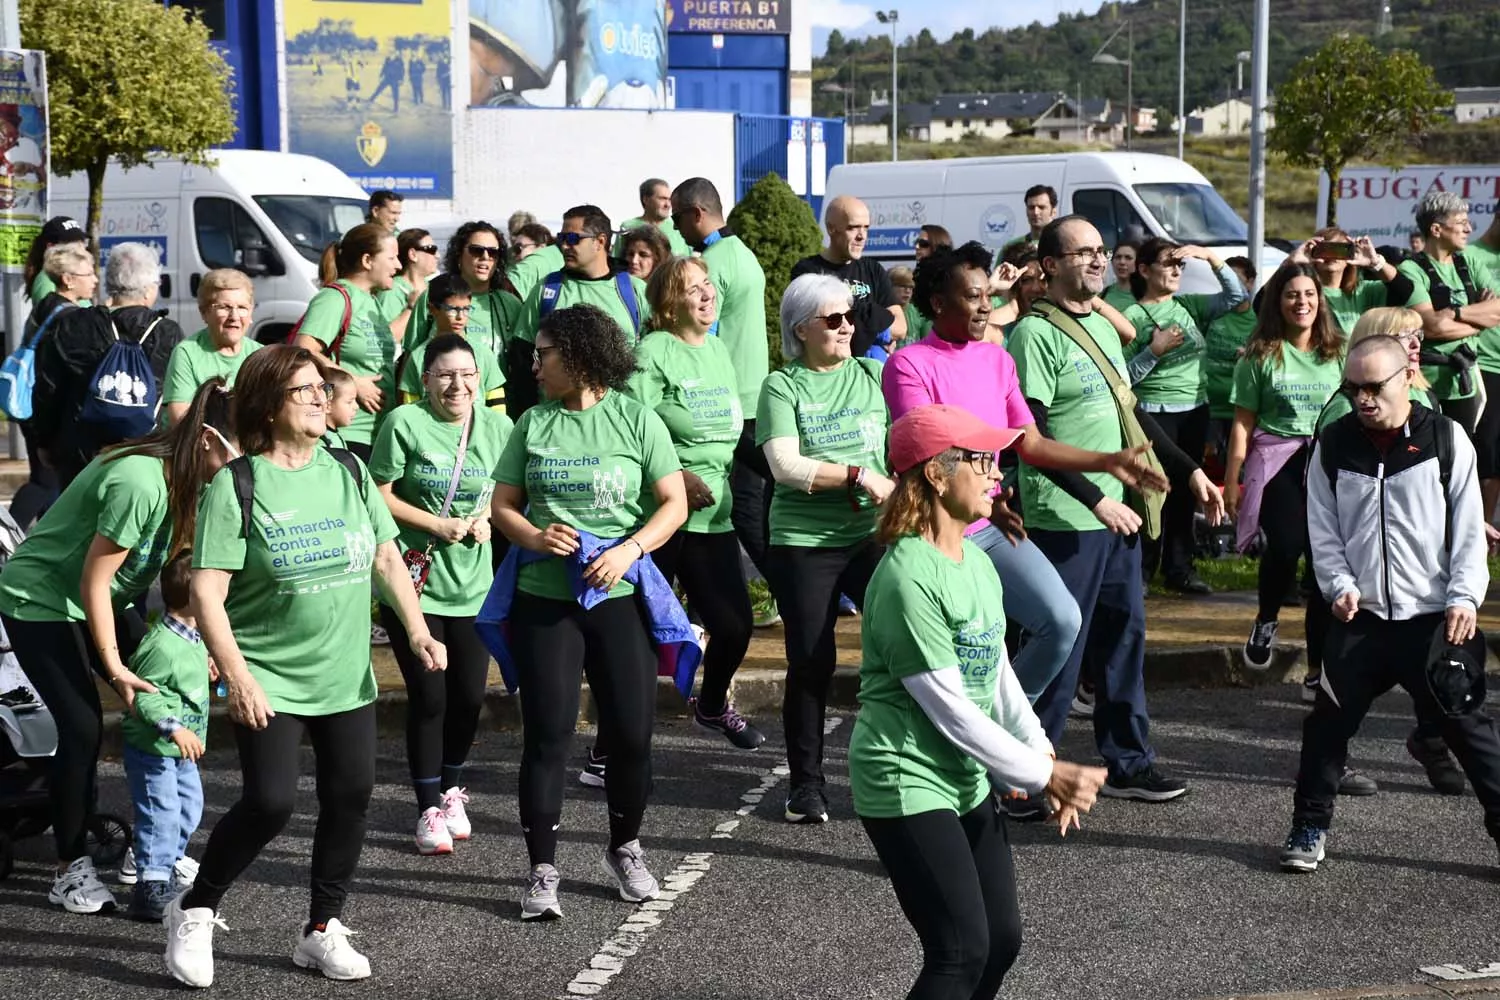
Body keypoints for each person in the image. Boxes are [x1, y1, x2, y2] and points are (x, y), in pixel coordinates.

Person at [167, 346, 444, 988]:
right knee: (270, 803)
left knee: (350, 797)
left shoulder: (347, 468)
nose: (323, 398)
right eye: (306, 390)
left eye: (323, 388)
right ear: (268, 405)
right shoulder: (239, 485)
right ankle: (196, 905)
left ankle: (321, 929)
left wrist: (418, 629)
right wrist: (237, 676)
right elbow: (207, 592)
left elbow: (385, 557)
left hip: (344, 674)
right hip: (269, 674)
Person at [850, 403, 1107, 1000]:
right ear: (936, 475)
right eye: (982, 461)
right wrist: (1044, 773)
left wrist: (1042, 758)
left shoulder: (977, 563)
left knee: (1002, 939)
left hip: (962, 779)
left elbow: (997, 680)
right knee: (960, 950)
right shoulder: (905, 578)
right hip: (905, 778)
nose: (998, 474)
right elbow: (952, 711)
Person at [883, 242, 1170, 738]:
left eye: (986, 296)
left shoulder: (997, 361)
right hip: (934, 533)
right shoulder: (909, 364)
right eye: (971, 297)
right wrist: (985, 502)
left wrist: (1104, 460)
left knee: (1061, 621)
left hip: (989, 524)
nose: (984, 306)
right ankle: (951, 746)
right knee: (958, 652)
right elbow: (929, 451)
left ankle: (998, 729)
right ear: (937, 303)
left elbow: (1031, 442)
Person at [1008, 215, 1225, 802]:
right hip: (1065, 519)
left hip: (1117, 516)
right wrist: (1097, 497)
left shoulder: (1104, 327)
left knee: (1124, 638)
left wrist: (1191, 470)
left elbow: (1136, 418)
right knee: (1062, 646)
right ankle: (1032, 772)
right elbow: (1033, 441)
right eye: (1084, 253)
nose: (1099, 260)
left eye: (1102, 250)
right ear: (1050, 265)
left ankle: (1129, 760)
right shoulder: (1033, 336)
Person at [0, 379, 235, 915]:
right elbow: (95, 584)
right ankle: (67, 868)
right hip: (40, 598)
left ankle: (154, 852)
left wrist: (212, 649)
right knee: (82, 726)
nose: (243, 467)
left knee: (171, 693)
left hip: (99, 598)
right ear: (205, 439)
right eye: (237, 452)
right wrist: (112, 665)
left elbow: (192, 579)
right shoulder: (140, 480)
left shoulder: (200, 482)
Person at [489, 304, 687, 920]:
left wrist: (629, 549)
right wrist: (535, 538)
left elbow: (673, 504)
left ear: (578, 356)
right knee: (548, 736)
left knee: (631, 734)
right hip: (545, 602)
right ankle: (542, 869)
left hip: (620, 601)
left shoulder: (635, 419)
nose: (535, 364)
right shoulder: (532, 422)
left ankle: (624, 848)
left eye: (543, 353)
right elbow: (502, 507)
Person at [1280, 334, 1500, 873]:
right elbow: (1322, 530)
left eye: (1374, 386)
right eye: (1352, 387)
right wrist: (1338, 586)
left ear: (1408, 375)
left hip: (1437, 618)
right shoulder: (1332, 445)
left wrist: (1465, 597)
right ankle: (1309, 827)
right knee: (1327, 728)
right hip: (1362, 619)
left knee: (1472, 734)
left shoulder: (1447, 440)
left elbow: (1470, 531)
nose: (1362, 398)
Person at [1309, 308, 1464, 793]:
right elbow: (1331, 505)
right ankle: (1328, 779)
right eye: (1403, 337)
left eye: (1418, 337)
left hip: (1417, 589)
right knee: (1338, 709)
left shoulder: (1425, 404)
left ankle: (1432, 740)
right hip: (1359, 587)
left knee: (1440, 683)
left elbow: (1428, 484)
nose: (1416, 344)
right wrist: (1340, 582)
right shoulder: (1346, 414)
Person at [759, 274, 894, 824]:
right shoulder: (782, 386)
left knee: (903, 645)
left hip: (872, 537)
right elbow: (785, 466)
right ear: (802, 329)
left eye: (850, 317)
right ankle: (806, 786)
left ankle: (899, 766)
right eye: (834, 319)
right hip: (804, 543)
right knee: (812, 662)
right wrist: (859, 474)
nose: (847, 327)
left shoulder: (874, 373)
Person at [371, 334, 513, 856]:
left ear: (481, 378)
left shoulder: (500, 428)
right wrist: (437, 523)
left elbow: (509, 495)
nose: (457, 384)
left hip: (473, 588)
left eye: (467, 374)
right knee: (431, 697)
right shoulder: (403, 424)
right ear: (425, 379)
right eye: (445, 375)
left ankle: (452, 788)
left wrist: (486, 522)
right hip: (414, 581)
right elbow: (379, 496)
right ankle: (427, 807)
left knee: (471, 697)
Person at [629, 257, 758, 745]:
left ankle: (710, 704)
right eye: (692, 290)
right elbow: (630, 428)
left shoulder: (719, 349)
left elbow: (733, 434)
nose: (707, 295)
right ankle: (609, 750)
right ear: (668, 304)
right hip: (661, 518)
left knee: (735, 627)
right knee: (640, 640)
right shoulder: (653, 351)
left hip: (714, 519)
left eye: (709, 284)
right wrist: (677, 475)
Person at [1224, 263, 1346, 670]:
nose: (1302, 302)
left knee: (1323, 561)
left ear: (1320, 300)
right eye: (1293, 294)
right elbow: (1242, 424)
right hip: (1279, 460)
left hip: (1329, 461)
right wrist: (1231, 483)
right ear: (1278, 301)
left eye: (1309, 294)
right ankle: (1266, 619)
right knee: (1287, 544)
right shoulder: (1259, 355)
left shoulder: (1340, 351)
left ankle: (1318, 668)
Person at [671, 178, 776, 620]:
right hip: (755, 398)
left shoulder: (709, 264)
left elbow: (700, 336)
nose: (676, 230)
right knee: (751, 505)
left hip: (724, 404)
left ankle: (782, 589)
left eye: (677, 219)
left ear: (697, 213)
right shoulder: (743, 252)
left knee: (742, 510)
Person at [1122, 238, 1248, 594]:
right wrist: (1152, 351)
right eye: (1169, 263)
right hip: (1154, 415)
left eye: (1181, 265)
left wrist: (1209, 257)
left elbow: (1237, 298)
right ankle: (1143, 572)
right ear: (1144, 270)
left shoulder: (1188, 305)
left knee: (1185, 493)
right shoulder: (1131, 317)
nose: (1177, 270)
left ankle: (1180, 569)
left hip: (1195, 409)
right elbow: (1121, 379)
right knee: (1152, 492)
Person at [32, 241, 185, 489]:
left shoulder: (74, 325)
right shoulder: (167, 333)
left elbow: (49, 388)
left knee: (80, 522)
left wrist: (45, 440)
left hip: (82, 449)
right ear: (148, 290)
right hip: (145, 451)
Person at [121, 550, 208, 921]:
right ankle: (150, 886)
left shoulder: (190, 637)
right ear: (194, 599)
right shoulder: (160, 647)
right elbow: (144, 696)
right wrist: (175, 730)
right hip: (155, 749)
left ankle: (168, 862)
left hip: (179, 751)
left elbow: (187, 668)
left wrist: (209, 664)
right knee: (161, 815)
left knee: (190, 807)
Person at [508, 205, 648, 416]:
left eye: (573, 238)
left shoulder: (634, 291)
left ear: (600, 241)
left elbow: (656, 356)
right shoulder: (547, 290)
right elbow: (522, 361)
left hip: (620, 421)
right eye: (561, 237)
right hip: (557, 420)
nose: (564, 245)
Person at [292, 222, 400, 461]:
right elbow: (302, 349)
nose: (398, 266)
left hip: (378, 433)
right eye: (392, 258)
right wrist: (354, 382)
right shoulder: (334, 297)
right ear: (367, 260)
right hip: (346, 433)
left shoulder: (372, 301)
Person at [10, 242, 98, 528]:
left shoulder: (45, 306)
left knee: (52, 488)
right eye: (88, 274)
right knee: (47, 484)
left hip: (35, 407)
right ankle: (7, 534)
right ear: (68, 279)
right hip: (50, 412)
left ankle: (39, 546)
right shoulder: (70, 318)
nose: (95, 279)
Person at [1399, 192, 1500, 441]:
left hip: (1466, 386)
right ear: (1436, 229)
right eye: (1461, 222)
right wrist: (1479, 320)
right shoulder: (1411, 269)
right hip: (1426, 384)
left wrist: (1456, 313)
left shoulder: (1469, 263)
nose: (1468, 228)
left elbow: (1498, 310)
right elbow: (1431, 326)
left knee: (1466, 458)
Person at [791, 195, 906, 359]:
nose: (862, 236)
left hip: (870, 376)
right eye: (853, 228)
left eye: (866, 228)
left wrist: (858, 320)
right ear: (831, 228)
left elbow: (901, 328)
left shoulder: (872, 269)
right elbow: (822, 329)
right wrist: (876, 324)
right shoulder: (808, 272)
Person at [405, 222, 522, 377]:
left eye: (493, 252)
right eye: (476, 250)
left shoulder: (511, 304)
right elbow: (410, 358)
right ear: (458, 254)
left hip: (496, 399)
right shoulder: (432, 294)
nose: (485, 257)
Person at [161, 269, 262, 425]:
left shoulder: (261, 355)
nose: (234, 317)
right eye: (224, 307)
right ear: (204, 313)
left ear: (250, 313)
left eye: (242, 307)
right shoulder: (187, 353)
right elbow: (180, 420)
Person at [398, 273, 507, 409]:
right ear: (433, 309)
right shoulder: (418, 357)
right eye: (452, 309)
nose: (460, 317)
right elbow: (410, 408)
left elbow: (496, 405)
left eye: (466, 309)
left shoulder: (483, 354)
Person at [1289, 228, 1411, 335]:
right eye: (1326, 249)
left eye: (1339, 250)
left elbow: (1405, 290)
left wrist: (1376, 263)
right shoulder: (1303, 294)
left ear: (1350, 255)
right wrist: (1292, 263)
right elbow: (1272, 299)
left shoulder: (1362, 292)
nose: (1332, 256)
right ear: (1313, 252)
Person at [1203, 257, 1258, 462]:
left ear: (1251, 282)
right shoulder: (1211, 312)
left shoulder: (1260, 319)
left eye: (1237, 278)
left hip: (1241, 413)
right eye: (1227, 279)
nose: (1231, 284)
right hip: (1208, 410)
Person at [375, 228, 440, 344]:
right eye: (432, 249)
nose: (438, 255)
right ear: (413, 254)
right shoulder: (392, 289)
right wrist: (411, 308)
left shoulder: (434, 288)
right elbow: (386, 339)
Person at [614, 177, 691, 257]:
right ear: (646, 200)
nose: (668, 205)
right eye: (662, 199)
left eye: (669, 200)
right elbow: (618, 261)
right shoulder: (628, 227)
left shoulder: (679, 227)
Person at [22, 215, 89, 305]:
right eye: (73, 245)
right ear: (51, 248)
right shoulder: (47, 282)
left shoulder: (63, 277)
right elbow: (56, 317)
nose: (81, 249)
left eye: (82, 243)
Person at [1003, 184, 1057, 253]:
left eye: (1041, 207)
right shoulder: (1012, 247)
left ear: (1053, 211)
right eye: (1031, 207)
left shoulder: (1063, 244)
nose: (1035, 212)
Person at [323, 367, 358, 451]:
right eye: (349, 402)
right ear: (328, 405)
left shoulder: (336, 437)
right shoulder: (322, 442)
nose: (356, 407)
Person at [891, 265, 924, 344]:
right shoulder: (883, 311)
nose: (908, 291)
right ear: (890, 286)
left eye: (911, 287)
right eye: (903, 286)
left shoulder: (918, 313)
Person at [1104, 239, 1139, 312]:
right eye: (1118, 257)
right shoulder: (1104, 293)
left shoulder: (1146, 295)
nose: (1122, 262)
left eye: (1128, 258)